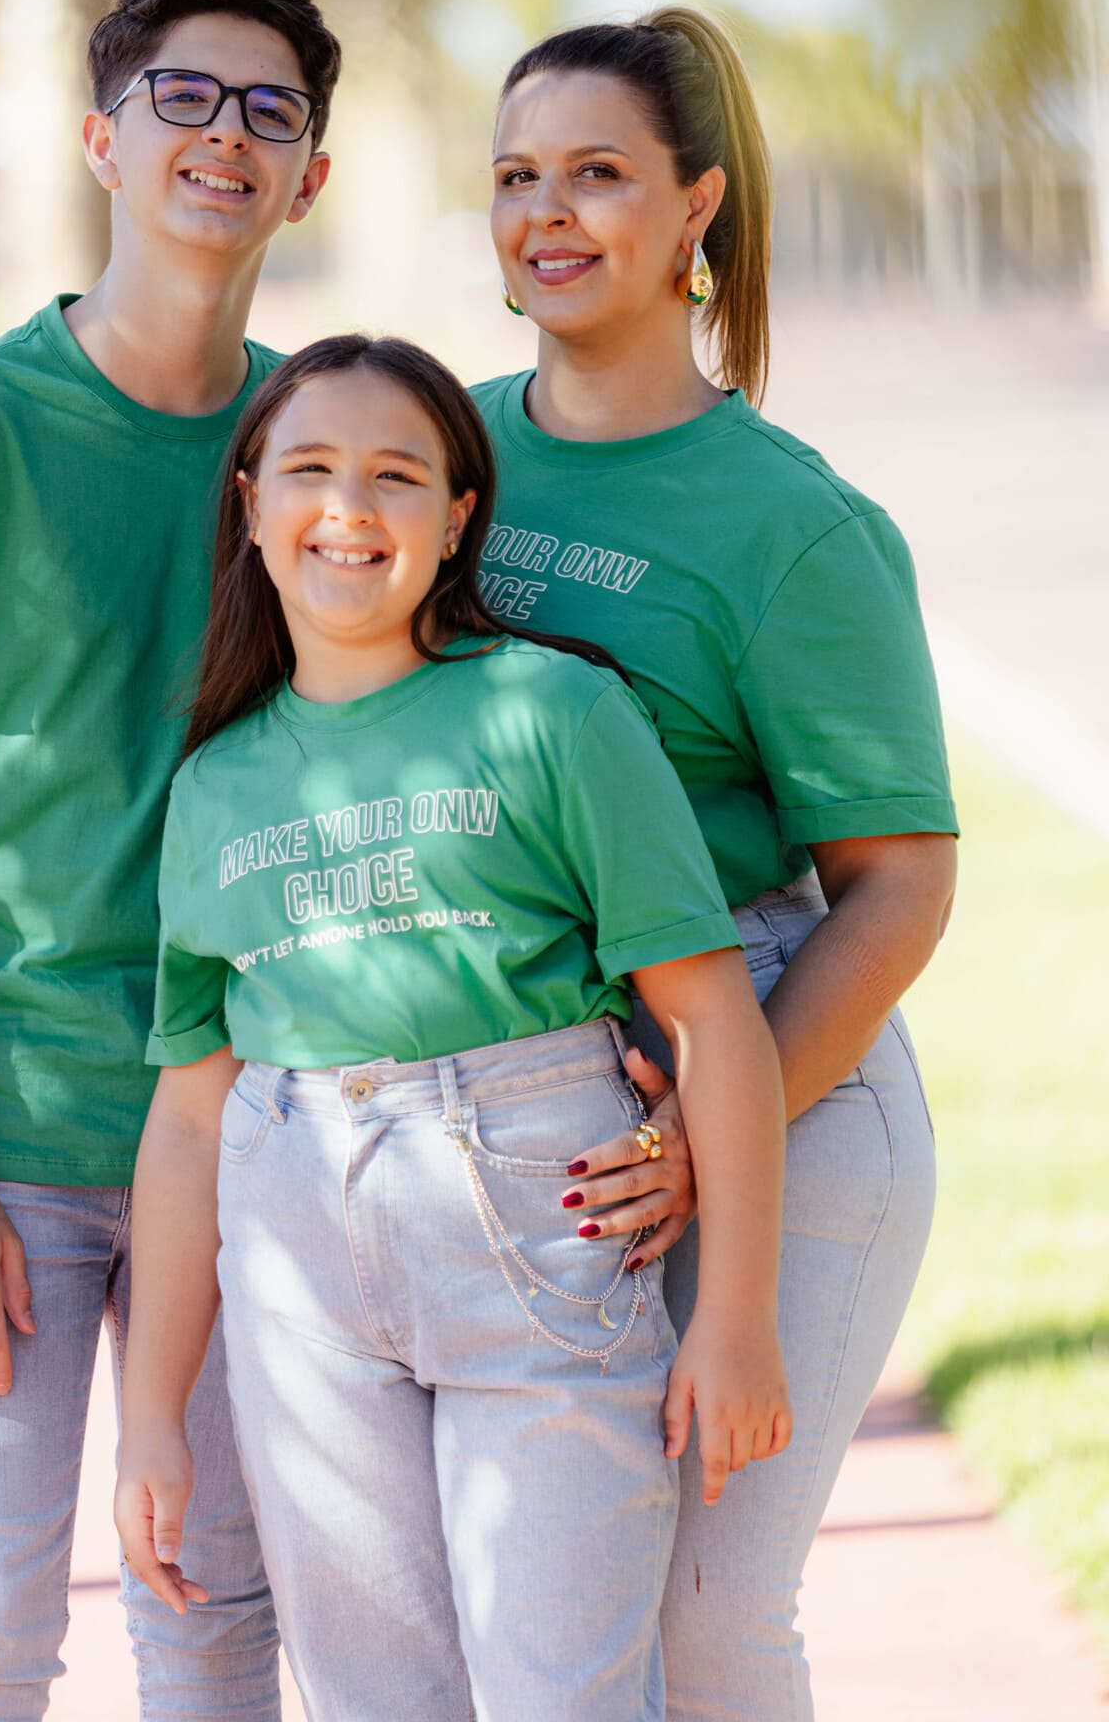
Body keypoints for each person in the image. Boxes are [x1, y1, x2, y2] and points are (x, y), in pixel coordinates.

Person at [0, 0, 340, 1720]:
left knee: (212, 1617)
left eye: (271, 110)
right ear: (105, 140)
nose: (226, 136)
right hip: (9, 1131)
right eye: (186, 97)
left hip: (241, 1119)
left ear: (312, 176)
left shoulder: (312, 451)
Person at [113, 333, 794, 1722]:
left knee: (566, 1696)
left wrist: (736, 1318)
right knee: (374, 1702)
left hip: (536, 1230)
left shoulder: (554, 711)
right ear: (247, 499)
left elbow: (712, 1014)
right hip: (299, 1264)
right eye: (307, 468)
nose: (349, 508)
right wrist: (151, 1425)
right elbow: (190, 1118)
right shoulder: (214, 785)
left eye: (396, 476)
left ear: (458, 515)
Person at [474, 7, 958, 1721]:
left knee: (705, 1627)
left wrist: (697, 1136)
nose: (548, 212)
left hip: (782, 1097)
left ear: (698, 208)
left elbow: (898, 887)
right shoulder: (437, 452)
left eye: (598, 174)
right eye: (519, 175)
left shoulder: (793, 527)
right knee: (537, 1628)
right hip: (523, 1107)